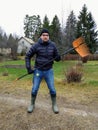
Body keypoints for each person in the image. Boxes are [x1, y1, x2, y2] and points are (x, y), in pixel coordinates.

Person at [25, 28, 61, 114]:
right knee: (34, 89)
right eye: (43, 35)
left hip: (49, 70)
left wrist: (58, 57)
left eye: (47, 35)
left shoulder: (53, 45)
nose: (45, 37)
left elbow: (58, 59)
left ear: (49, 36)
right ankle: (32, 104)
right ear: (41, 36)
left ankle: (54, 105)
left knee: (52, 89)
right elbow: (27, 56)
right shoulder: (36, 45)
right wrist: (29, 68)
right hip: (38, 70)